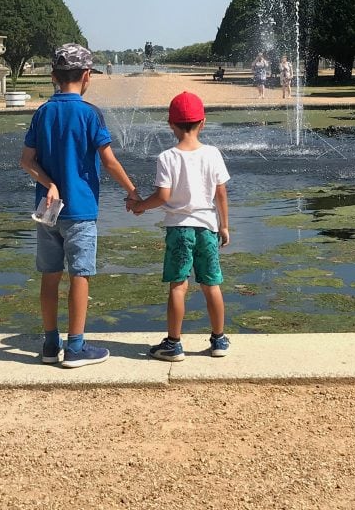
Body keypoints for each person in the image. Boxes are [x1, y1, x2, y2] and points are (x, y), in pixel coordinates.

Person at [20, 43, 141, 368]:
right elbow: (109, 160)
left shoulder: (42, 112)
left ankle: (49, 344)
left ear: (53, 77)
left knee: (49, 275)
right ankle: (75, 347)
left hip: (47, 213)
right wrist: (132, 191)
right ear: (87, 76)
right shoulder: (90, 114)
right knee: (80, 275)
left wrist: (50, 184)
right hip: (81, 211)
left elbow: (26, 161)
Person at [129, 91, 231, 361]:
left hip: (179, 229)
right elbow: (221, 193)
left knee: (178, 285)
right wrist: (224, 226)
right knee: (211, 284)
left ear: (170, 124)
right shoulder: (213, 154)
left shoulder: (167, 157)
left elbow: (163, 196)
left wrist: (139, 206)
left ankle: (174, 343)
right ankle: (219, 340)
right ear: (203, 123)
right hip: (208, 227)